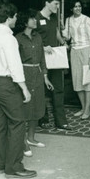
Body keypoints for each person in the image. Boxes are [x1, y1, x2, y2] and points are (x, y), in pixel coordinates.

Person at [0, 3, 37, 179]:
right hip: (6, 85)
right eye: (14, 17)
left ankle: (0, 164)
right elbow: (15, 66)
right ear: (8, 18)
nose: (15, 20)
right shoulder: (9, 38)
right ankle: (14, 167)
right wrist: (24, 89)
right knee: (18, 122)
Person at [15, 9, 54, 156]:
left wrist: (45, 77)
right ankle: (23, 142)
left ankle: (31, 138)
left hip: (37, 74)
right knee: (25, 108)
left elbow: (43, 59)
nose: (35, 21)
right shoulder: (17, 39)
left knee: (37, 107)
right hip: (24, 75)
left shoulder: (38, 37)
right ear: (25, 22)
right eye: (32, 19)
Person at [35, 0, 71, 131]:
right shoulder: (36, 18)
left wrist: (63, 43)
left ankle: (61, 121)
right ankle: (42, 120)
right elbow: (32, 37)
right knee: (42, 90)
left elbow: (56, 32)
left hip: (55, 57)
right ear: (47, 3)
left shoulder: (55, 17)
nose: (57, 6)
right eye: (56, 4)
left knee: (58, 88)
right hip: (40, 58)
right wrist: (43, 47)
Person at [63, 0, 90, 119]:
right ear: (71, 8)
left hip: (86, 50)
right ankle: (83, 108)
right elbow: (67, 37)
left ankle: (87, 110)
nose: (78, 8)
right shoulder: (68, 20)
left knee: (87, 81)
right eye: (75, 6)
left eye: (79, 6)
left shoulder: (87, 20)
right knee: (77, 81)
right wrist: (62, 31)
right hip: (74, 51)